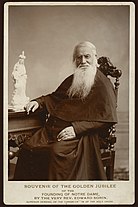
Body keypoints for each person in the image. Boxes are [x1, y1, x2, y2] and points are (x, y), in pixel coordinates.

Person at [14, 41, 117, 181]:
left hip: (82, 135)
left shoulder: (103, 84)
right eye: (79, 57)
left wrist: (76, 129)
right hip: (54, 129)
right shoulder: (74, 79)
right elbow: (55, 97)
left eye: (87, 56)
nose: (83, 61)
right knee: (28, 148)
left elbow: (107, 119)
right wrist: (38, 102)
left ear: (95, 58)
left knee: (56, 153)